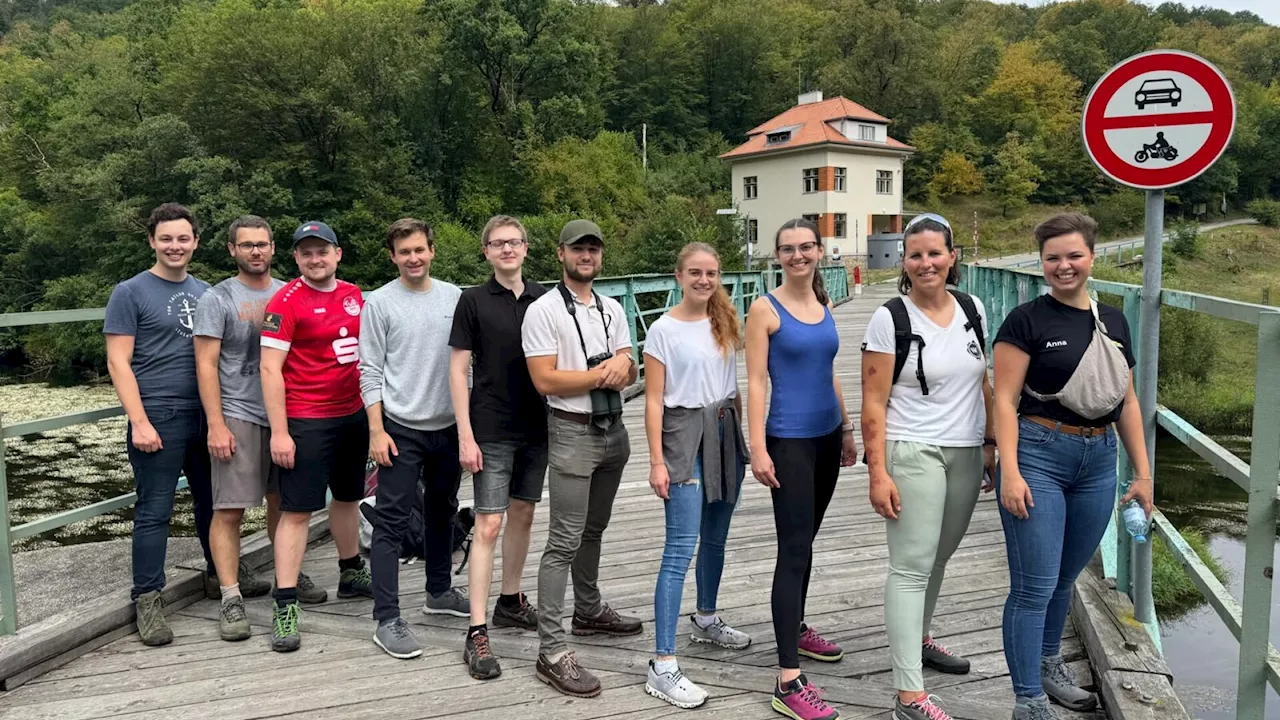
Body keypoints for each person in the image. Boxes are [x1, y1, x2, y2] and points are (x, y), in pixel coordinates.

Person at [992, 213, 1153, 720]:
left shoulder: (1115, 319)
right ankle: (1028, 700)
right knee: (1033, 585)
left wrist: (1143, 474)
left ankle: (1047, 664)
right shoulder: (1025, 320)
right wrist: (1010, 471)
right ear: (1041, 263)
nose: (1064, 266)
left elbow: (1126, 402)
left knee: (1063, 579)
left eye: (1073, 255)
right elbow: (1003, 400)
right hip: (1039, 452)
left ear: (1092, 257)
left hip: (1099, 458)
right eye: (1053, 258)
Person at [859, 213, 995, 720]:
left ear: (952, 257)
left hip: (964, 451)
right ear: (903, 261)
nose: (925, 263)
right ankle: (908, 695)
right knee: (911, 566)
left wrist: (989, 443)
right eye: (915, 255)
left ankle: (918, 641)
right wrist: (878, 471)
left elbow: (981, 380)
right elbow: (872, 403)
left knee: (938, 557)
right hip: (913, 450)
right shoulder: (889, 318)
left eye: (934, 253)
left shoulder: (972, 308)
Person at [522, 219, 642, 698]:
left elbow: (630, 363)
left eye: (593, 248)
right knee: (564, 540)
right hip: (571, 431)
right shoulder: (543, 310)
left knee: (595, 528)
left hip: (614, 431)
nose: (585, 256)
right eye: (577, 249)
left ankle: (588, 610)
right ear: (560, 255)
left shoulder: (612, 306)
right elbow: (546, 381)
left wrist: (619, 366)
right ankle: (550, 650)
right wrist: (600, 374)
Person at [745, 218, 857, 720]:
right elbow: (755, 383)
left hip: (828, 435)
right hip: (787, 440)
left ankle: (797, 627)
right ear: (777, 255)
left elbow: (828, 370)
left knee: (807, 541)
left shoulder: (824, 301)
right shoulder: (763, 309)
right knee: (792, 549)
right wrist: (757, 449)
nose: (798, 256)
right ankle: (788, 680)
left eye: (806, 247)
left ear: (819, 251)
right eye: (787, 249)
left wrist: (849, 428)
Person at [643, 242, 751, 710]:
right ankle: (662, 664)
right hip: (683, 436)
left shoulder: (724, 319)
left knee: (716, 537)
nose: (703, 280)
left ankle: (705, 618)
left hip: (725, 431)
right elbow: (652, 399)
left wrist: (743, 441)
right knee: (679, 548)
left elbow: (733, 385)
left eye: (710, 273)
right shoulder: (663, 330)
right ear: (678, 275)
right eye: (694, 272)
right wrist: (656, 461)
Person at [104, 202, 217, 647]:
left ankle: (219, 573)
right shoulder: (129, 292)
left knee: (216, 501)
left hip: (206, 415)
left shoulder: (207, 292)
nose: (175, 246)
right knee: (155, 511)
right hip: (158, 415)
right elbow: (118, 361)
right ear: (152, 241)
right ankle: (148, 599)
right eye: (166, 238)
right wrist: (139, 421)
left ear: (195, 242)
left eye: (183, 238)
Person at [260, 221, 373, 653]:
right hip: (307, 419)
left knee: (348, 498)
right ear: (297, 259)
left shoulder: (354, 294)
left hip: (352, 414)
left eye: (322, 251)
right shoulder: (285, 301)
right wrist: (281, 431)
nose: (315, 258)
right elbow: (269, 369)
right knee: (297, 511)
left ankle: (350, 570)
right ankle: (285, 602)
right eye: (306, 253)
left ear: (337, 254)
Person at [359, 218, 466, 659]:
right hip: (400, 427)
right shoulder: (380, 303)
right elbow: (369, 370)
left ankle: (439, 590)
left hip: (448, 426)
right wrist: (376, 430)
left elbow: (468, 365)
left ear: (432, 250)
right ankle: (387, 618)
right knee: (391, 522)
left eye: (420, 249)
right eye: (404, 252)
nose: (414, 258)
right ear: (393, 257)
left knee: (443, 510)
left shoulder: (455, 297)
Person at [449, 215, 547, 680]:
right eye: (497, 243)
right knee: (488, 524)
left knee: (524, 515)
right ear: (486, 251)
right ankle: (477, 629)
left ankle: (510, 599)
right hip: (490, 426)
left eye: (514, 242)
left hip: (539, 426)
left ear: (526, 248)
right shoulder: (471, 301)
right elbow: (457, 370)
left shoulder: (546, 298)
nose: (507, 249)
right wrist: (465, 435)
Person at [193, 216, 293, 643]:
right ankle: (230, 595)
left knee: (283, 504)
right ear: (232, 250)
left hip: (286, 415)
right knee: (230, 509)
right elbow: (205, 364)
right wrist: (216, 424)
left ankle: (289, 575)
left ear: (273, 248)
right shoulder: (217, 299)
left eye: (263, 244)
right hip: (238, 412)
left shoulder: (290, 293)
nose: (256, 251)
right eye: (247, 245)